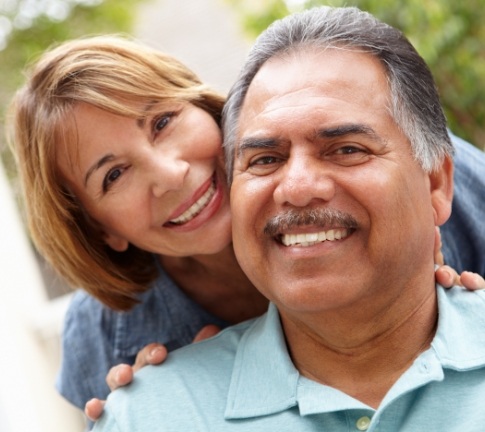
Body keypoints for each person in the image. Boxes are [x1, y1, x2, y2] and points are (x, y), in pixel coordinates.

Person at [7, 30, 484, 425]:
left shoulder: (425, 173)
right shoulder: (104, 336)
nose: (169, 175)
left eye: (162, 121)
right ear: (100, 228)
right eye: (114, 175)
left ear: (207, 108)